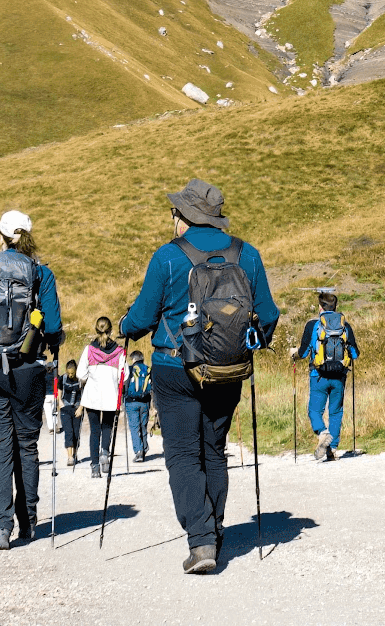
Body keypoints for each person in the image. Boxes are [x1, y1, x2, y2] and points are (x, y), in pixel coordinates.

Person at [120, 177, 278, 576]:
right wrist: (245, 344)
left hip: (175, 368)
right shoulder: (247, 254)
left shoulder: (167, 257)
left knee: (183, 455)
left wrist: (124, 325)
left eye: (174, 212)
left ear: (184, 216)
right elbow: (269, 315)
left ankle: (201, 540)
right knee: (213, 450)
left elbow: (141, 318)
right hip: (228, 370)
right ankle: (215, 531)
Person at [0, 209, 63, 550]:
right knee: (26, 446)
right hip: (28, 371)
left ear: (0, 236)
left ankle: (0, 527)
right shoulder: (41, 274)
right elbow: (53, 327)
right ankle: (28, 521)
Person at [293, 289, 359, 460]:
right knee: (335, 412)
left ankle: (323, 433)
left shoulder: (313, 325)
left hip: (318, 376)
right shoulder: (345, 326)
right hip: (339, 376)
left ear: (320, 307)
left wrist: (294, 355)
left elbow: (303, 352)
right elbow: (355, 354)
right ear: (335, 307)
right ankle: (333, 449)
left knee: (314, 411)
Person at [80, 316, 124, 478]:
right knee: (107, 426)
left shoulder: (89, 349)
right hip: (110, 395)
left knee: (94, 431)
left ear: (96, 330)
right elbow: (124, 376)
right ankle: (105, 452)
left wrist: (90, 376)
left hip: (92, 395)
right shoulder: (119, 351)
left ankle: (95, 467)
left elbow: (80, 374)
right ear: (111, 330)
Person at [122, 348, 153, 462]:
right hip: (145, 402)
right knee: (143, 426)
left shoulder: (130, 369)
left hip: (131, 402)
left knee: (134, 428)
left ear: (134, 359)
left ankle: (139, 452)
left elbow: (124, 385)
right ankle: (144, 448)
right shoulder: (148, 369)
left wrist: (122, 399)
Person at [55, 358, 84, 466]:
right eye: (69, 373)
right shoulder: (62, 378)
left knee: (76, 433)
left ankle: (75, 454)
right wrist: (60, 402)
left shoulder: (81, 379)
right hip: (65, 408)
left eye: (72, 373)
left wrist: (81, 408)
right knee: (68, 432)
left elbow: (84, 394)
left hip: (77, 408)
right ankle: (70, 457)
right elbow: (59, 391)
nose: (70, 375)